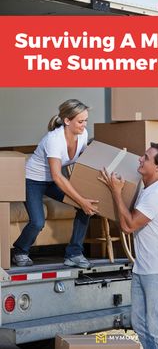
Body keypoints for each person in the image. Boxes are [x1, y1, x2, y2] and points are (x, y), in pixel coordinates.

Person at [99, 142, 158, 349]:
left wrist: (116, 192)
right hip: (143, 268)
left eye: (146, 157)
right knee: (141, 325)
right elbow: (126, 226)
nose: (140, 159)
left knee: (157, 327)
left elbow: (130, 224)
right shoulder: (146, 190)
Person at [12, 99, 99, 268]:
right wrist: (80, 199)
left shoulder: (83, 135)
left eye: (86, 120)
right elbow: (58, 176)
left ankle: (74, 253)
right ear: (67, 121)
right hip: (33, 181)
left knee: (85, 208)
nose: (84, 125)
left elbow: (87, 162)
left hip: (52, 181)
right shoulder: (54, 140)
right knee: (37, 222)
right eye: (80, 121)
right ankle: (20, 251)